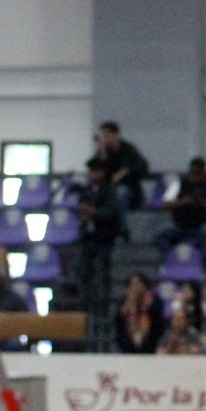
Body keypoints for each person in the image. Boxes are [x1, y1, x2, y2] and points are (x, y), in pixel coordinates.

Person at [77, 161, 122, 323]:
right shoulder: (87, 190)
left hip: (104, 236)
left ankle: (104, 305)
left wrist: (93, 212)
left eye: (94, 171)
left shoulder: (109, 190)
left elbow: (110, 212)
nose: (91, 174)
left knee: (103, 270)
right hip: (89, 236)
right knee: (85, 270)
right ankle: (86, 303)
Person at [152, 157, 206, 257]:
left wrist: (203, 203)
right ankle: (170, 258)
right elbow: (167, 203)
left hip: (204, 223)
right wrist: (183, 201)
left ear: (204, 172)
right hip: (180, 224)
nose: (196, 176)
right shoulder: (179, 183)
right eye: (194, 172)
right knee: (158, 235)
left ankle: (202, 261)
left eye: (199, 173)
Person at [87, 120, 149, 211]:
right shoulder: (102, 152)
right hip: (106, 187)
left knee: (120, 193)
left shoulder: (128, 149)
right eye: (103, 135)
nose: (104, 138)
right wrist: (103, 153)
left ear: (116, 135)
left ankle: (118, 219)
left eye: (106, 135)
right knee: (92, 194)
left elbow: (142, 166)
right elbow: (98, 169)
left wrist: (125, 172)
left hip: (128, 187)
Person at [115, 272, 166, 354]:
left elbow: (157, 318)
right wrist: (129, 305)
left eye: (137, 284)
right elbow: (118, 318)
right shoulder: (124, 301)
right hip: (129, 340)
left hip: (150, 338)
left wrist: (147, 307)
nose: (134, 288)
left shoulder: (154, 299)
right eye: (131, 285)